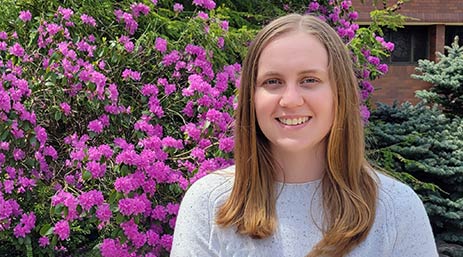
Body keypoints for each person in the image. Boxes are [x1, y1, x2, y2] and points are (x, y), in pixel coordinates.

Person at [171, 14, 438, 257]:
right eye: (272, 81)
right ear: (252, 98)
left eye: (309, 80)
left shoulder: (397, 210)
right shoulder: (208, 205)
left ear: (339, 94)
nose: (290, 100)